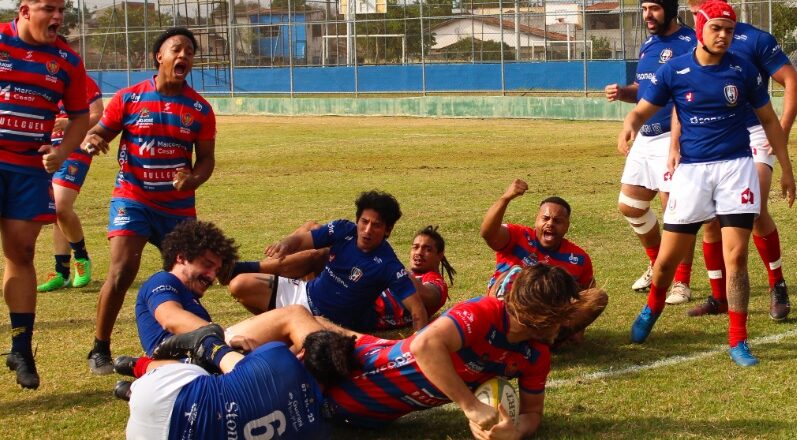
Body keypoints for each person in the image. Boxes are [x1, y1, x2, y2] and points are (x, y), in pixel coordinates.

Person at [199, 263, 594, 438]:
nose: (564, 326)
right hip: (358, 364)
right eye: (561, 317)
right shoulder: (487, 313)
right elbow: (425, 344)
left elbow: (533, 415)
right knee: (289, 325)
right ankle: (202, 349)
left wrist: (515, 433)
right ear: (540, 315)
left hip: (367, 414)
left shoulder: (534, 356)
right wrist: (470, 406)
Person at [618, 0, 795, 366]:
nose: (723, 36)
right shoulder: (675, 70)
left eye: (729, 30)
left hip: (736, 169)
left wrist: (788, 169)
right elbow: (645, 108)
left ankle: (738, 340)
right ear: (700, 29)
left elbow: (769, 122)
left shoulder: (742, 70)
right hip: (693, 173)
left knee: (738, 257)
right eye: (716, 28)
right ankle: (652, 309)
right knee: (666, 261)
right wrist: (631, 124)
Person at [81, 27, 217, 374]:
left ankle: (176, 345)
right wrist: (94, 139)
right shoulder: (129, 98)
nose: (184, 55)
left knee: (185, 278)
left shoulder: (200, 109)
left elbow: (205, 160)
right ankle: (100, 347)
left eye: (189, 51)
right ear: (160, 56)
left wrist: (193, 178)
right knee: (123, 270)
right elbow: (101, 130)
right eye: (177, 49)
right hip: (133, 197)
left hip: (177, 207)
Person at [684, 0, 797, 321]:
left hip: (756, 132)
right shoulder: (693, 43)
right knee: (710, 216)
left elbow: (791, 79)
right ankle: (719, 296)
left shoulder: (755, 39)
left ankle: (778, 286)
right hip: (714, 136)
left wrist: (783, 132)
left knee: (754, 209)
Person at [0, 0, 90, 389]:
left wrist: (60, 153)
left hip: (26, 170)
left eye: (61, 9)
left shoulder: (67, 60)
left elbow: (80, 116)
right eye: (47, 8)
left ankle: (21, 348)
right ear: (23, 10)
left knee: (20, 253)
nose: (57, 17)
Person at [604, 0, 698, 304]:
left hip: (675, 135)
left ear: (670, 9)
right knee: (630, 204)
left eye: (654, 8)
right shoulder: (648, 45)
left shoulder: (690, 42)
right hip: (647, 135)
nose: (648, 15)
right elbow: (643, 91)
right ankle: (659, 263)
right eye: (644, 9)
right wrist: (623, 92)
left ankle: (681, 282)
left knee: (676, 211)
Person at [228, 190, 429, 331]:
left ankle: (278, 328)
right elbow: (303, 239)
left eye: (376, 226)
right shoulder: (343, 229)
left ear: (388, 230)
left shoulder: (388, 264)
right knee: (239, 284)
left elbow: (417, 308)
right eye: (364, 222)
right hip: (304, 294)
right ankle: (277, 325)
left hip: (327, 324)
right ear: (357, 220)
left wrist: (417, 347)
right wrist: (286, 244)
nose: (367, 230)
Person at [123, 324, 357, 439]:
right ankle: (130, 390)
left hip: (154, 396)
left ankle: (139, 370)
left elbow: (218, 355)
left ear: (303, 354)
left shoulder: (280, 355)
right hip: (141, 435)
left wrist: (249, 354)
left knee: (202, 367)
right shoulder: (318, 430)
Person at [228, 223, 455, 331]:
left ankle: (243, 268)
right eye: (415, 247)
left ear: (440, 254)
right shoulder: (387, 268)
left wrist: (396, 273)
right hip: (337, 291)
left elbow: (429, 298)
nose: (418, 253)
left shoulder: (434, 281)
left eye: (427, 249)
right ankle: (264, 268)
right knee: (312, 228)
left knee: (322, 254)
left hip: (357, 309)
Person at [37, 73, 104, 292]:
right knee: (57, 213)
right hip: (48, 151)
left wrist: (69, 123)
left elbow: (97, 114)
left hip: (76, 148)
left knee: (60, 205)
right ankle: (62, 272)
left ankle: (82, 258)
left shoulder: (81, 80)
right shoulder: (41, 81)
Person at [134, 220, 238, 357]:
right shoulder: (162, 280)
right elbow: (170, 317)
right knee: (275, 320)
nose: (212, 276)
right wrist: (225, 336)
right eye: (207, 265)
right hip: (181, 367)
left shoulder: (189, 297)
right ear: (181, 258)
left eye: (216, 270)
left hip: (205, 364)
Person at [480, 179, 595, 291]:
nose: (550, 224)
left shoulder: (579, 259)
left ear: (567, 226)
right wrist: (505, 199)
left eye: (558, 221)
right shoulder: (518, 236)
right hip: (503, 307)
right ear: (536, 220)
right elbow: (488, 233)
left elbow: (586, 296)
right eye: (545, 218)